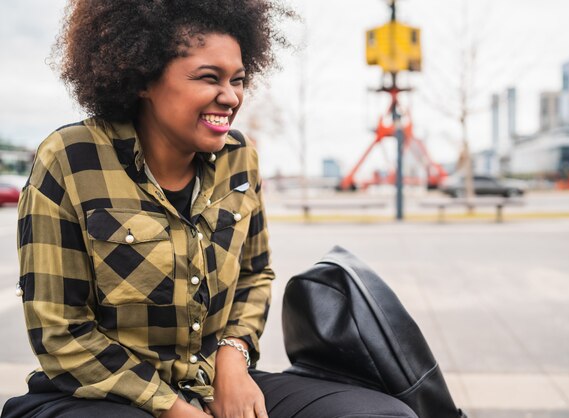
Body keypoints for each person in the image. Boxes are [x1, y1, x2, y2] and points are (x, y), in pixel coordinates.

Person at [2, 1, 418, 417]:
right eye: (209, 78)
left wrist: (233, 363)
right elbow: (61, 331)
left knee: (382, 413)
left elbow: (255, 276)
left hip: (209, 382)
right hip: (99, 396)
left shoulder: (241, 158)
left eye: (238, 80)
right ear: (144, 78)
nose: (231, 96)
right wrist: (172, 408)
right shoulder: (71, 159)